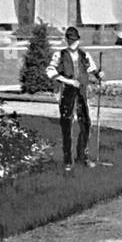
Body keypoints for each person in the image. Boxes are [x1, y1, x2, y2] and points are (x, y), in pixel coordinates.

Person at [45, 26, 101, 170]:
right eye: (70, 40)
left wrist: (98, 74)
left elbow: (92, 68)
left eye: (75, 40)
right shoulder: (60, 55)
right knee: (67, 125)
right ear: (67, 40)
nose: (73, 43)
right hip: (67, 92)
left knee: (86, 124)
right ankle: (67, 160)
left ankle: (82, 156)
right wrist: (68, 81)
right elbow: (50, 70)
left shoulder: (84, 55)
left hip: (81, 93)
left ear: (78, 40)